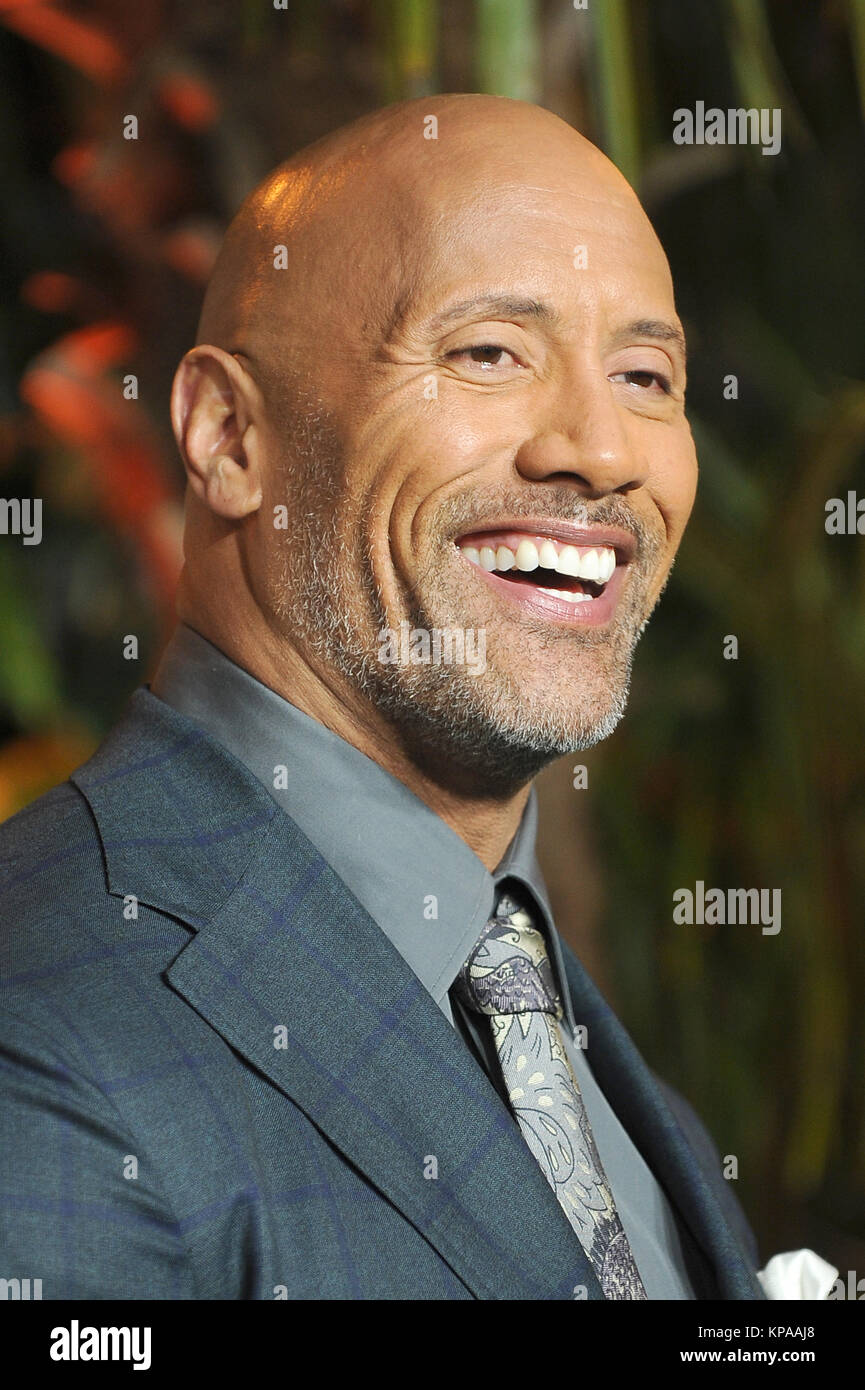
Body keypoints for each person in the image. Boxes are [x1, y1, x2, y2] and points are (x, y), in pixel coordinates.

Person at [0, 94, 764, 1300]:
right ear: (228, 434)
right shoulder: (46, 1038)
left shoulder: (619, 1099)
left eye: (643, 374)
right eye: (489, 353)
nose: (603, 449)